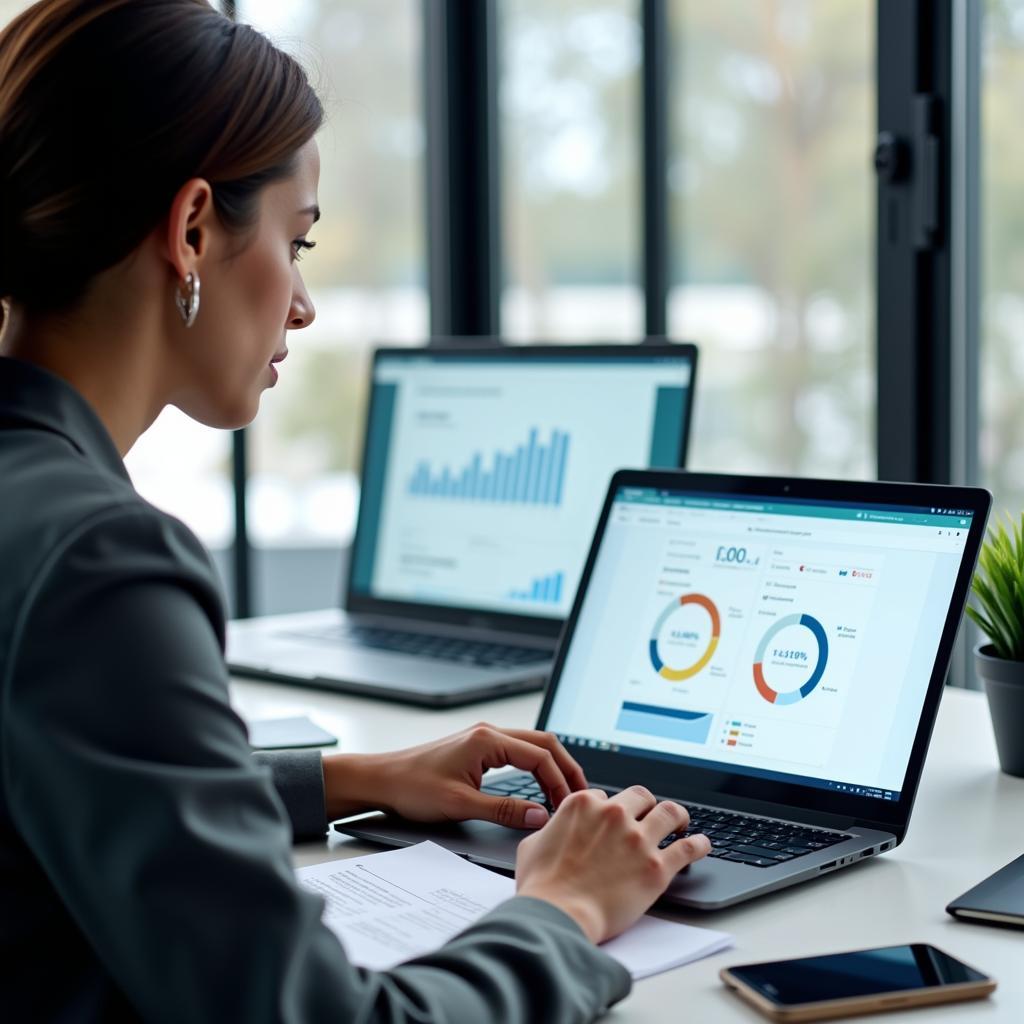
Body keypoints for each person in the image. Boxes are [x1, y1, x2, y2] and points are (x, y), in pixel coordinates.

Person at [0, 2, 711, 1020]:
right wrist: (562, 908)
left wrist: (350, 777)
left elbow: (61, 775)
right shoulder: (98, 559)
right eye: (298, 241)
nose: (302, 302)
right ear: (193, 226)